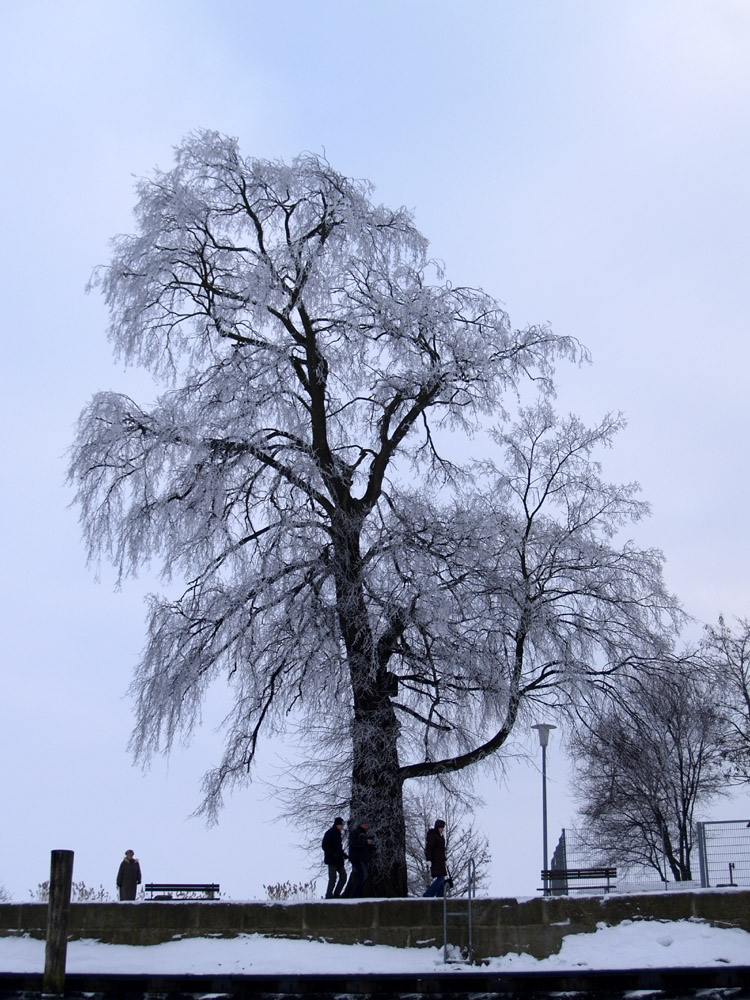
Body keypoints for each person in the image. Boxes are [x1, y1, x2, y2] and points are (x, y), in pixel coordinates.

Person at [322, 817, 348, 898]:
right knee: (333, 878)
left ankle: (336, 893)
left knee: (343, 877)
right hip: (332, 860)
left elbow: (339, 848)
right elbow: (325, 846)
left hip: (339, 859)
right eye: (341, 825)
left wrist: (344, 855)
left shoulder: (338, 834)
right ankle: (329, 895)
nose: (342, 827)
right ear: (337, 824)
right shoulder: (330, 833)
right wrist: (332, 854)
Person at [348, 820, 374, 897]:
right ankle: (355, 894)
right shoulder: (356, 833)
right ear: (361, 825)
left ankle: (357, 893)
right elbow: (355, 843)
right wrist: (366, 842)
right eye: (366, 825)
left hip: (362, 858)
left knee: (362, 875)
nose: (367, 827)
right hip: (357, 858)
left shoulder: (363, 833)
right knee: (363, 875)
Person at [423, 820, 448, 897]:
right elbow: (429, 848)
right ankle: (428, 895)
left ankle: (440, 897)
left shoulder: (440, 836)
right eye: (441, 828)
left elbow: (441, 849)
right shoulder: (433, 835)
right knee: (441, 878)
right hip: (435, 860)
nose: (442, 829)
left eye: (443, 828)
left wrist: (444, 859)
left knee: (442, 879)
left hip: (440, 861)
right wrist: (428, 859)